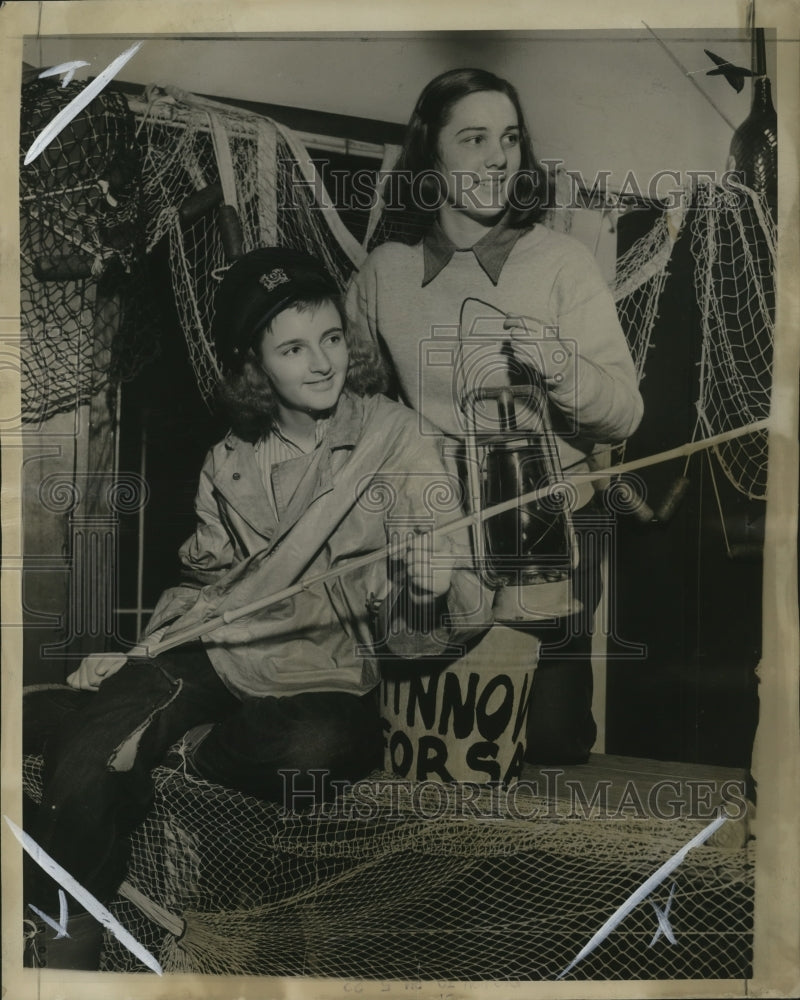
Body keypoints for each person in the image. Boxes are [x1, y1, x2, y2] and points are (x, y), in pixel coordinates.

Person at [23, 246, 491, 969]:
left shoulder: (395, 437)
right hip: (212, 654)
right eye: (294, 347)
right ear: (253, 363)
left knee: (321, 749)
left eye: (333, 339)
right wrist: (143, 649)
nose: (323, 363)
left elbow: (448, 617)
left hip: (318, 670)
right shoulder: (227, 461)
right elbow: (203, 588)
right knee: (84, 764)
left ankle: (176, 750)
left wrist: (421, 587)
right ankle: (61, 955)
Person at [346, 68, 644, 765]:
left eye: (508, 138)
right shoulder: (384, 272)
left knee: (546, 745)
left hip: (543, 535)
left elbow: (624, 413)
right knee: (429, 745)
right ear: (432, 157)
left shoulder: (562, 263)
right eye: (473, 138)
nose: (497, 157)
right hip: (432, 543)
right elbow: (349, 409)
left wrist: (564, 368)